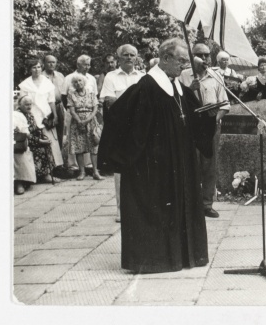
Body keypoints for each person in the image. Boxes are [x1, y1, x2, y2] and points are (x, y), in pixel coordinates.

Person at [99, 38, 212, 273]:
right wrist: (129, 157)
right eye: (181, 61)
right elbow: (119, 119)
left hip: (178, 161)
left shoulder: (177, 86)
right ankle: (156, 259)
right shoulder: (146, 88)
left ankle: (181, 255)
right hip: (155, 165)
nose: (184, 66)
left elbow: (189, 119)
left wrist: (205, 114)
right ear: (166, 58)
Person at [180, 43, 230, 219]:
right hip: (191, 129)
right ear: (192, 58)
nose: (204, 58)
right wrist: (189, 90)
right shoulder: (183, 76)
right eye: (200, 55)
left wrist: (214, 119)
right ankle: (191, 204)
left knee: (209, 165)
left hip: (210, 127)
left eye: (207, 55)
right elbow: (176, 103)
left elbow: (224, 104)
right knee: (190, 166)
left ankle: (207, 204)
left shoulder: (216, 76)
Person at [99, 44, 144, 222]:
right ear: (119, 57)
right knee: (121, 170)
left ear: (136, 57)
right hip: (120, 129)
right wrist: (133, 107)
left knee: (140, 168)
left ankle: (139, 207)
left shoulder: (143, 76)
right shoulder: (111, 77)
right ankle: (121, 209)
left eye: (132, 55)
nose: (129, 58)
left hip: (139, 128)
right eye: (125, 55)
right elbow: (110, 101)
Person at [18, 57, 62, 172]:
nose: (37, 70)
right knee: (36, 143)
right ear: (29, 69)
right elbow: (23, 102)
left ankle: (54, 168)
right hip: (32, 116)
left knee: (50, 141)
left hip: (46, 115)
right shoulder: (25, 84)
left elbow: (51, 100)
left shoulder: (47, 82)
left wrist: (55, 116)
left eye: (38, 67)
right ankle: (37, 170)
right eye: (34, 67)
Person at [62, 55, 99, 171]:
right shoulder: (69, 78)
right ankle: (73, 166)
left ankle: (89, 166)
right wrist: (72, 111)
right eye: (85, 65)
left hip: (89, 114)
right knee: (74, 140)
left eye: (89, 64)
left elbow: (95, 97)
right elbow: (64, 96)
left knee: (91, 138)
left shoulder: (91, 78)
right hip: (73, 112)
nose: (88, 67)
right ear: (78, 65)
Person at [66, 73, 103, 181]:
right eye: (75, 82)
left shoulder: (91, 93)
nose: (78, 83)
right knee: (79, 147)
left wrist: (87, 120)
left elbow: (95, 108)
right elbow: (72, 110)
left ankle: (95, 172)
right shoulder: (71, 94)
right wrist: (79, 121)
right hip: (77, 122)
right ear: (73, 84)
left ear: (84, 82)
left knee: (93, 146)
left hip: (91, 121)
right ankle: (82, 172)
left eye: (80, 81)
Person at [13, 95, 38, 195]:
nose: (29, 106)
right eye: (26, 104)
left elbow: (26, 133)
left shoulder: (18, 115)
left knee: (19, 152)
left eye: (30, 104)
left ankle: (19, 182)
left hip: (17, 141)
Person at [42, 55, 66, 154]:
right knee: (48, 132)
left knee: (60, 132)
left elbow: (64, 92)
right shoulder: (41, 76)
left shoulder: (60, 76)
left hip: (59, 105)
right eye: (49, 62)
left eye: (54, 62)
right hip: (46, 107)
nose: (52, 64)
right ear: (44, 63)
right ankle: (50, 158)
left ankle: (59, 159)